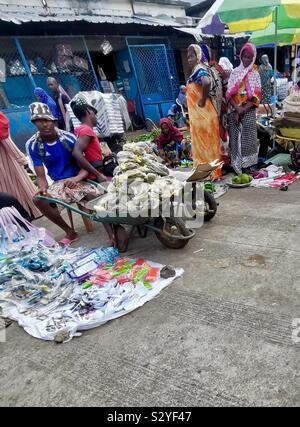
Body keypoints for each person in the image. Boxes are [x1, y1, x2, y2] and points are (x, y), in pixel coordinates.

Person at [26, 102, 101, 246]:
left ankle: (110, 228)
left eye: (46, 120)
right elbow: (41, 176)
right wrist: (43, 189)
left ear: (53, 121)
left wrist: (76, 178)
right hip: (58, 184)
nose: (44, 124)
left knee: (98, 198)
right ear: (34, 123)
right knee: (39, 199)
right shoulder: (33, 145)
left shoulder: (68, 138)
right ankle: (70, 232)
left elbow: (86, 167)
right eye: (39, 121)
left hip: (79, 179)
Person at [186, 44, 222, 179]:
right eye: (188, 56)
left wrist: (202, 100)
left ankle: (208, 174)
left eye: (192, 56)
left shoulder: (200, 69)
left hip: (203, 115)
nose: (189, 59)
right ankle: (208, 174)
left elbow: (206, 82)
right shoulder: (198, 70)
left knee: (205, 145)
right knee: (206, 145)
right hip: (201, 116)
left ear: (199, 56)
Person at [227, 43, 262, 175]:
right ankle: (236, 166)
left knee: (248, 139)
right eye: (244, 56)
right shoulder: (235, 72)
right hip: (234, 111)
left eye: (249, 57)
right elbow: (229, 93)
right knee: (235, 138)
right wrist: (237, 109)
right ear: (241, 56)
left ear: (253, 58)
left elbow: (257, 96)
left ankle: (247, 166)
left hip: (249, 110)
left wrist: (243, 109)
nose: (246, 60)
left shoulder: (255, 74)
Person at [0, 112, 41, 219]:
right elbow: (7, 141)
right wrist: (22, 160)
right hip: (7, 160)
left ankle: (16, 216)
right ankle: (30, 212)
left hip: (5, 161)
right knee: (18, 186)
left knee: (7, 189)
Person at [70, 98, 111, 181]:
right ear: (89, 111)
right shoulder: (86, 130)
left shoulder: (79, 129)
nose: (96, 118)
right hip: (93, 177)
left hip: (93, 174)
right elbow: (76, 152)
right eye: (95, 114)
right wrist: (98, 174)